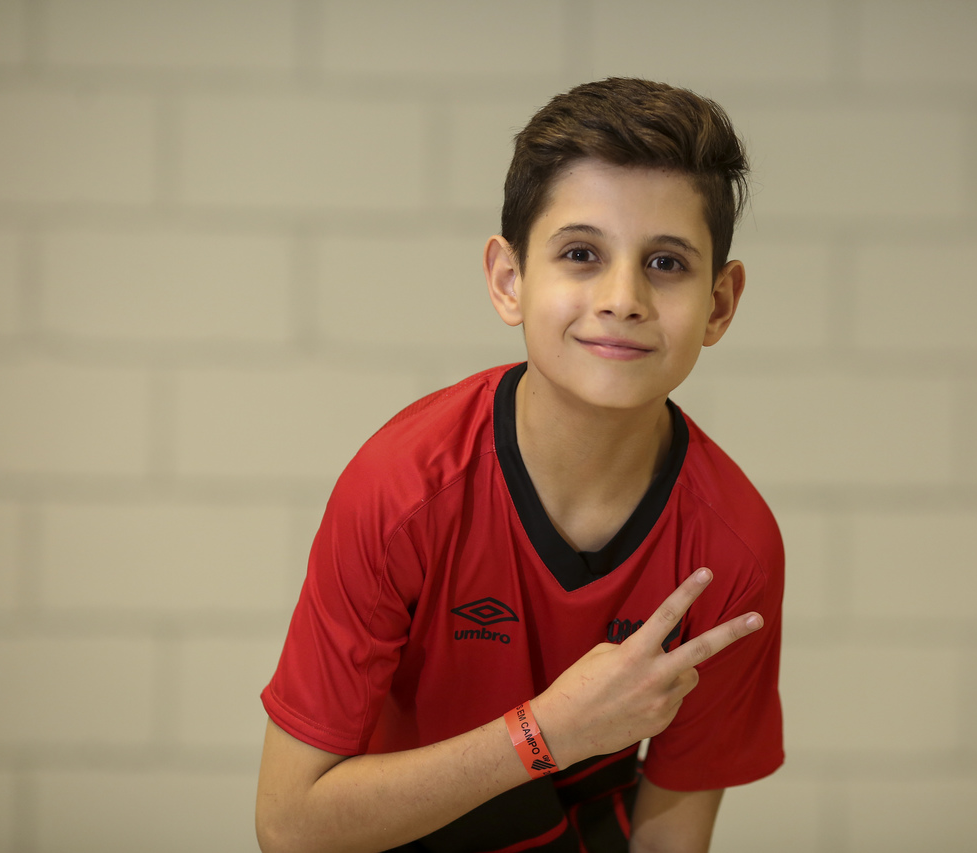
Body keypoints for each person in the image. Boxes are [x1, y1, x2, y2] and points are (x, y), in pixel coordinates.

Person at [255, 77, 784, 853]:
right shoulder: (401, 490)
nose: (623, 297)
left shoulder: (733, 549)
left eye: (666, 262)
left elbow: (669, 836)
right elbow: (289, 826)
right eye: (581, 254)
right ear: (510, 281)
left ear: (720, 303)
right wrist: (546, 733)